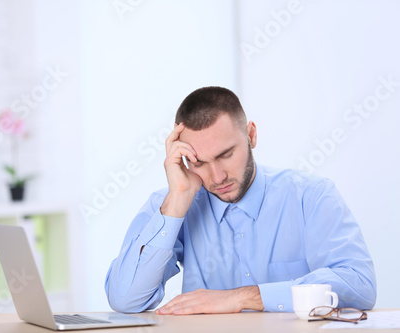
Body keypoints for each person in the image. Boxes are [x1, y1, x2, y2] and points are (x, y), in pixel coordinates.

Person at [104, 86, 376, 315]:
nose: (217, 176)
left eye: (226, 155)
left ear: (251, 136)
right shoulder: (172, 203)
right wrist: (178, 200)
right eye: (199, 162)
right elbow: (126, 300)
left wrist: (243, 298)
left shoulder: (311, 196)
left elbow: (360, 285)